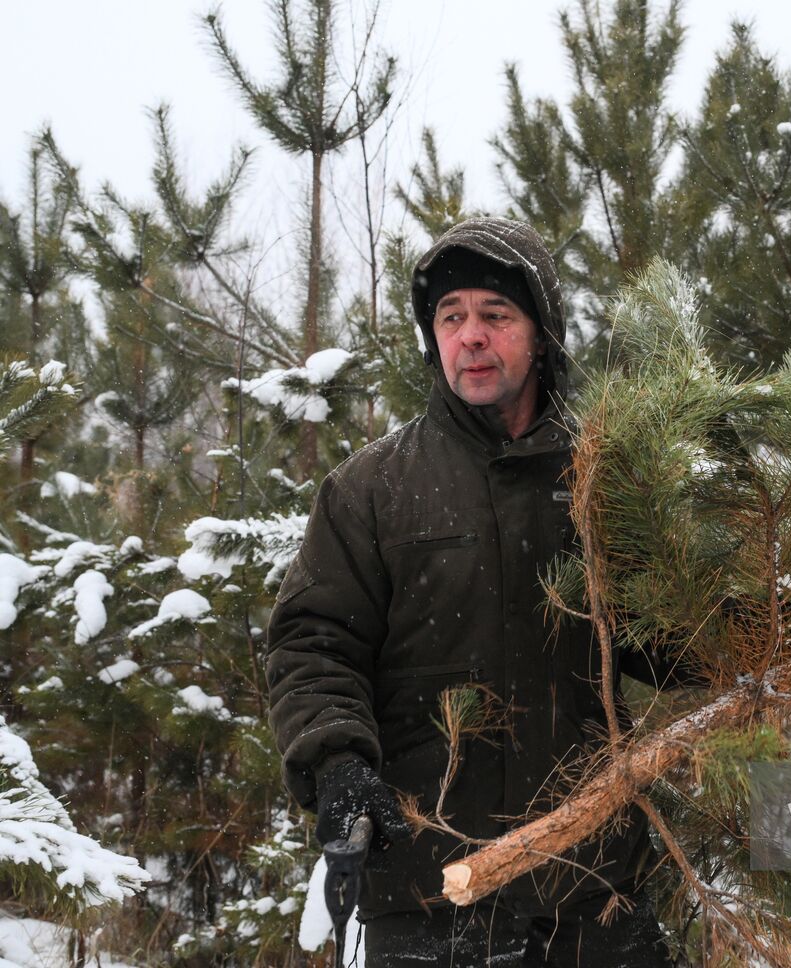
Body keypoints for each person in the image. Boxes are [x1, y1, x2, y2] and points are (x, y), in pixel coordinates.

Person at [265, 216, 700, 966]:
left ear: (542, 334)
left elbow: (671, 639)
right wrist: (338, 763)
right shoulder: (374, 489)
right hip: (429, 897)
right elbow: (314, 642)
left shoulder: (602, 479)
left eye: (495, 316)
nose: (470, 336)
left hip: (594, 895)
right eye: (450, 316)